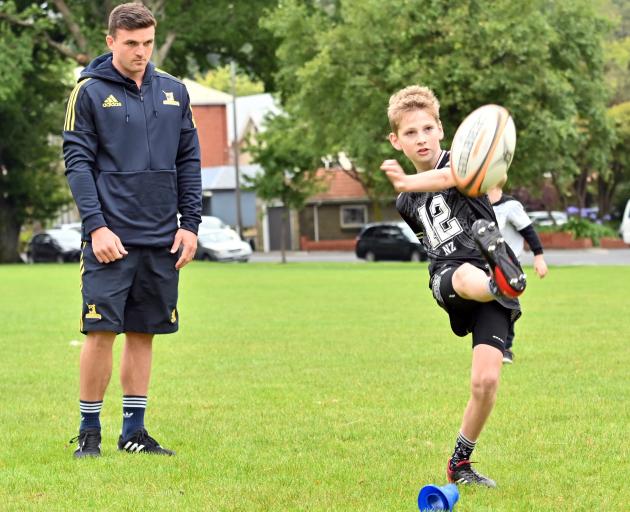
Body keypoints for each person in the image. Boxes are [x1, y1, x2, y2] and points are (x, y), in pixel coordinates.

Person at [63, 3, 201, 457]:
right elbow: (77, 162)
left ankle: (134, 433)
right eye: (131, 44)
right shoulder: (87, 91)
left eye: (147, 43)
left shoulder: (175, 92)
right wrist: (96, 227)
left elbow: (189, 162)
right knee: (100, 332)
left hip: (162, 238)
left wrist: (190, 225)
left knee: (144, 333)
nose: (141, 52)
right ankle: (89, 432)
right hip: (110, 239)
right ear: (111, 42)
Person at [380, 85, 527, 487]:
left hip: (488, 278)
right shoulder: (405, 204)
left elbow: (456, 176)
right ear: (396, 140)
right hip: (448, 276)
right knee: (464, 275)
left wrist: (408, 183)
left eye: (428, 128)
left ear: (442, 130)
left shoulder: (463, 162)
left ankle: (459, 465)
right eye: (410, 133)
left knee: (486, 382)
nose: (421, 138)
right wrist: (408, 188)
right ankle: (501, 281)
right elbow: (429, 237)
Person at [487, 178, 548, 364]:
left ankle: (506, 348)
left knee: (508, 306)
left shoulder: (511, 206)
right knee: (487, 308)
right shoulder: (477, 203)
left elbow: (528, 231)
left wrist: (539, 257)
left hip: (509, 268)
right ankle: (489, 346)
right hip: (485, 267)